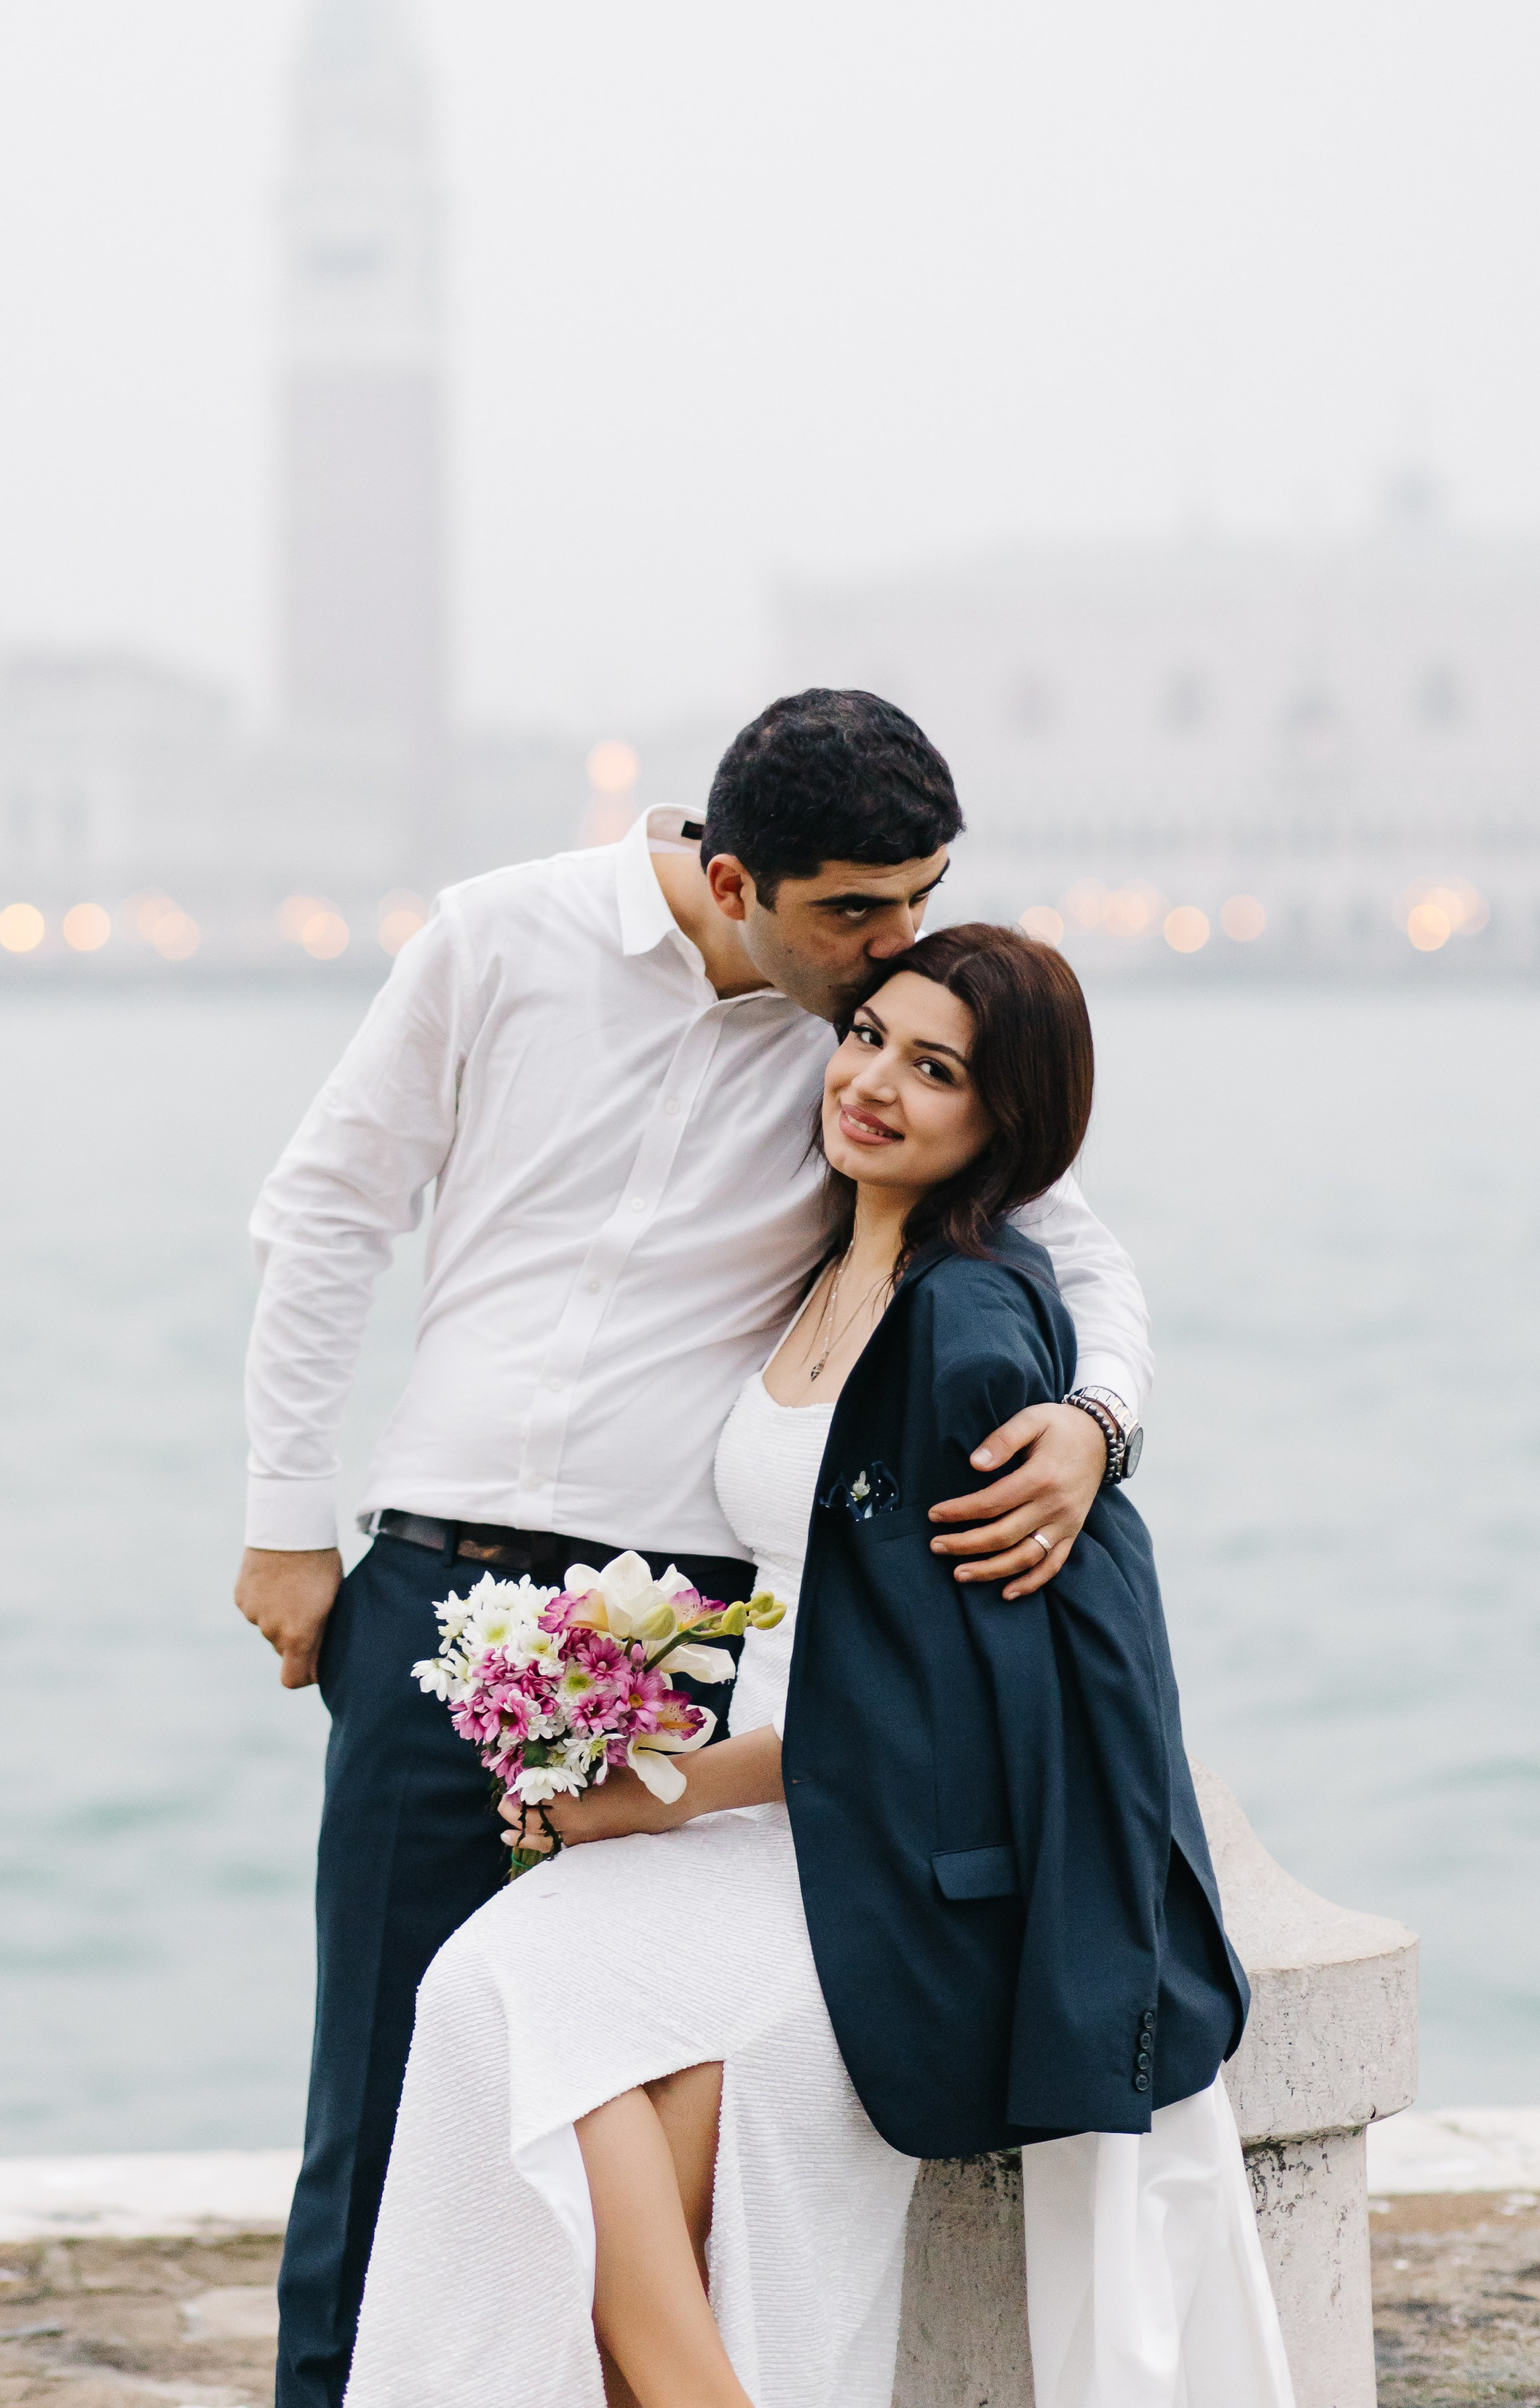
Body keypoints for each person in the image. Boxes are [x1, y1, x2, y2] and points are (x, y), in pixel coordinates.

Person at [236, 690, 1154, 2408]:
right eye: (855, 911)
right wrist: (285, 1529)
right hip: (434, 1590)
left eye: (920, 895)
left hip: (690, 1639)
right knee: (372, 2097)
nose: (898, 943)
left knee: (614, 2082)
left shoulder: (873, 1055)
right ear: (732, 879)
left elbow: (1073, 1245)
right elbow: (330, 1205)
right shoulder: (501, 935)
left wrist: (1095, 1420)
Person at [342, 926, 1294, 2408]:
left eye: (935, 1071)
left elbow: (937, 1708)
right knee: (553, 2042)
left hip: (877, 1846)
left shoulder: (963, 1329)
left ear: (1005, 1125)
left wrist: (662, 1794)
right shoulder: (831, 1256)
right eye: (864, 1038)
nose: (870, 1083)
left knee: (518, 1995)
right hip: (784, 1807)